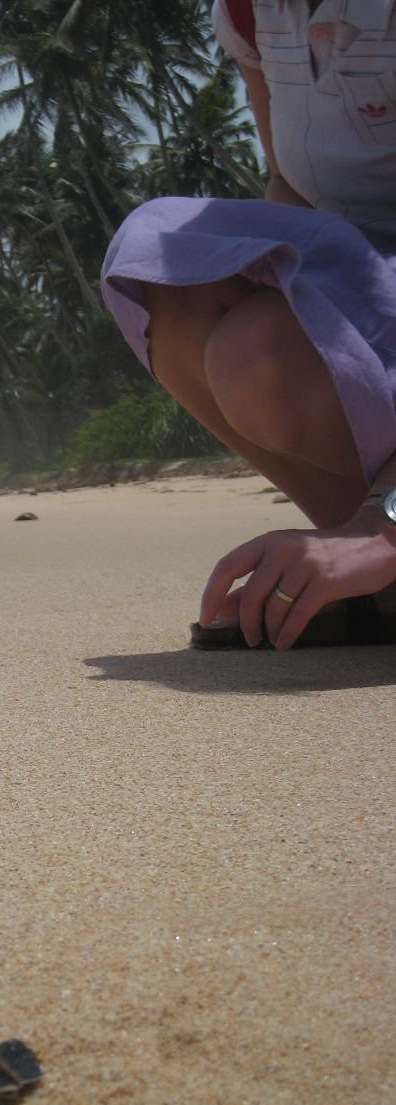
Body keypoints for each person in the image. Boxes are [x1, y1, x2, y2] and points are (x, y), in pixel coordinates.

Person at [101, 0, 396, 649]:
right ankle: (379, 583)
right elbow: (292, 190)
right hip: (373, 276)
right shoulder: (250, 14)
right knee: (176, 278)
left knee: (257, 348)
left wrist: (389, 525)